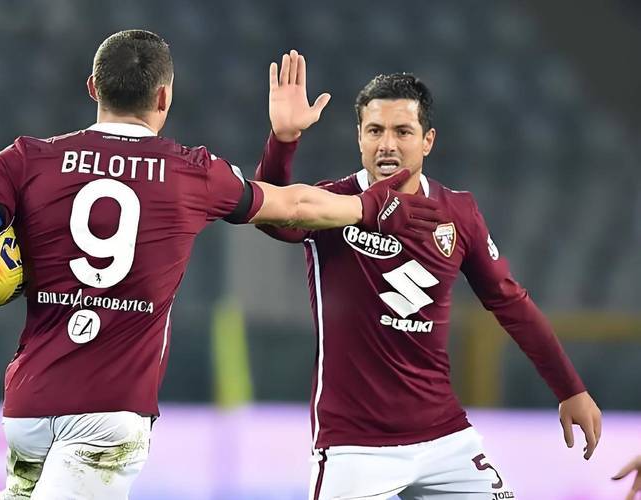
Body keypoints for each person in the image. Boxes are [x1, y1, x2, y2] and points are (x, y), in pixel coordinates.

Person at [0, 31, 442, 499]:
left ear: (93, 88)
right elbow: (294, 206)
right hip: (109, 413)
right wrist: (374, 205)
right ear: (164, 96)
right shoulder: (193, 172)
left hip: (28, 405)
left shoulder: (25, 159)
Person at [255, 51, 602, 499]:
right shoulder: (333, 205)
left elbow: (510, 304)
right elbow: (271, 217)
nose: (387, 144)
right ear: (359, 137)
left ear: (428, 141)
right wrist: (283, 140)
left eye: (403, 131)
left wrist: (570, 389)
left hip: (445, 437)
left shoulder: (458, 212)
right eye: (375, 131)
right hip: (354, 445)